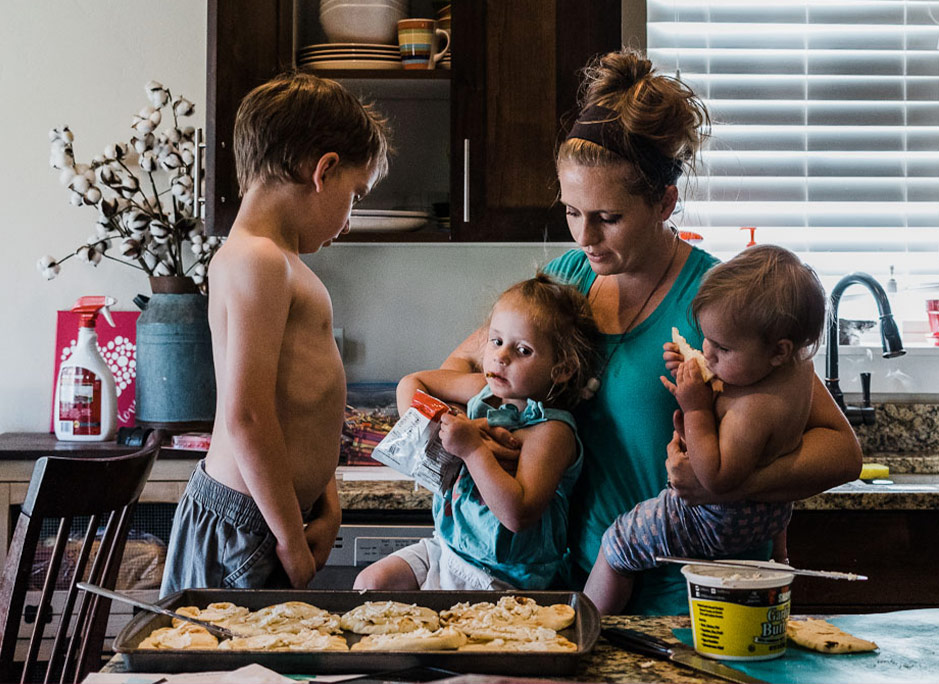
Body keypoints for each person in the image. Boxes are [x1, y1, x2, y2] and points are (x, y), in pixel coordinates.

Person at [436, 50, 861, 614]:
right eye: (571, 212)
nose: (584, 237)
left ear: (665, 201)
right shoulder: (564, 284)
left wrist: (730, 482)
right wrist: (492, 432)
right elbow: (465, 370)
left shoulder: (723, 303)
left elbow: (840, 452)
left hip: (698, 598)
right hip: (573, 591)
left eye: (607, 217)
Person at [160, 72, 391, 596]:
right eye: (355, 195)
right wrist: (288, 538)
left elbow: (301, 406)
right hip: (250, 526)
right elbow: (247, 414)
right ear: (324, 171)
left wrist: (327, 505)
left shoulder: (276, 261)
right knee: (233, 677)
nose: (349, 221)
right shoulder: (258, 259)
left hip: (271, 517)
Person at [584, 245, 826, 614]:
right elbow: (738, 384)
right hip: (772, 517)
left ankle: (588, 628)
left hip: (716, 515)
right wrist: (698, 366)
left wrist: (694, 406)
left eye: (723, 348)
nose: (708, 353)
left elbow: (715, 478)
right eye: (706, 340)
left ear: (778, 350)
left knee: (618, 542)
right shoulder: (792, 372)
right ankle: (779, 560)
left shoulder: (753, 411)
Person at [353, 273, 603, 591]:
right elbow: (411, 384)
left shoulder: (551, 432)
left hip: (505, 578)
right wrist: (445, 423)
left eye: (523, 351)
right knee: (369, 583)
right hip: (447, 549)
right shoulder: (480, 390)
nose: (501, 356)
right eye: (497, 342)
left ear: (562, 369)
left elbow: (517, 514)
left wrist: (473, 449)